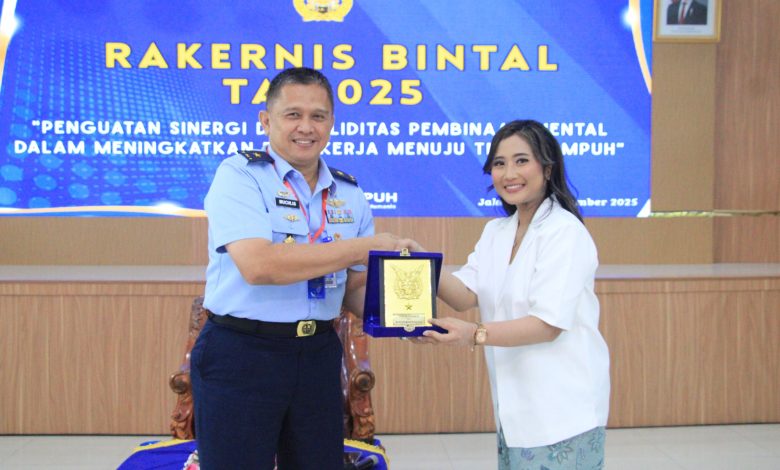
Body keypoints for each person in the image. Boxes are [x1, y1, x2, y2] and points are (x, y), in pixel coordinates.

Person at [190, 67, 413, 470]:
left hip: (317, 355)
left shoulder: (349, 192)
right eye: (293, 114)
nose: (306, 127)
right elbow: (260, 266)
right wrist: (362, 247)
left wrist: (406, 316)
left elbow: (353, 290)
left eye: (318, 116)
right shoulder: (240, 176)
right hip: (242, 353)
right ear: (266, 120)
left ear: (332, 122)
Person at [414, 120, 610, 469]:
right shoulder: (497, 231)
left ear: (547, 168)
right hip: (516, 409)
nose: (509, 174)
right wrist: (418, 263)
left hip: (564, 409)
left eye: (522, 161)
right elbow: (464, 294)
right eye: (499, 163)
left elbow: (547, 324)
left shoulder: (565, 232)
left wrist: (473, 334)